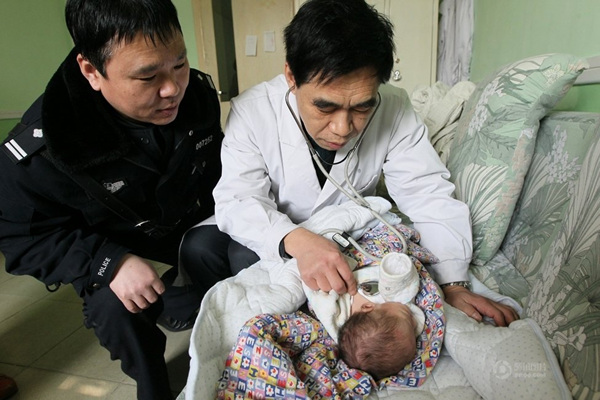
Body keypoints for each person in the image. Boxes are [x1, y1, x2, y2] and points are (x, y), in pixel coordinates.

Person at [213, 0, 518, 327]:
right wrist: (299, 241)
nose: (342, 128)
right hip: (283, 231)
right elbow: (239, 199)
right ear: (291, 76)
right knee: (236, 256)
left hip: (350, 234)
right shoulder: (253, 111)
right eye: (325, 107)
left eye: (361, 108)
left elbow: (425, 192)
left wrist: (454, 283)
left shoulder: (394, 107)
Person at [0, 0, 231, 398]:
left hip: (181, 222)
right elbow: (21, 239)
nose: (172, 89)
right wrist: (108, 262)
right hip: (107, 241)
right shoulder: (45, 147)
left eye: (179, 64)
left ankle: (215, 331)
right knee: (113, 306)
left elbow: (216, 176)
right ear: (92, 71)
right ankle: (153, 383)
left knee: (234, 249)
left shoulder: (197, 95)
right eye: (147, 77)